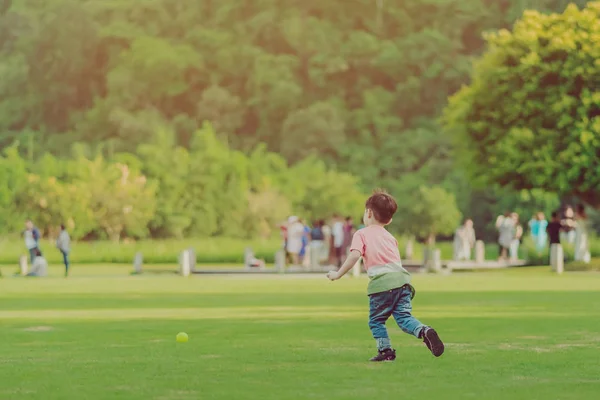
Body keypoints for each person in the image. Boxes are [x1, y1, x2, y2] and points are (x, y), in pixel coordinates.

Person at [326, 190, 444, 362]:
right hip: (403, 283)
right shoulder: (390, 237)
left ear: (368, 213)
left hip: (382, 285)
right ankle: (424, 330)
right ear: (389, 219)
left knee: (376, 321)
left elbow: (354, 255)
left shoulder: (361, 234)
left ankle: (386, 350)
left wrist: (337, 274)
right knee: (404, 318)